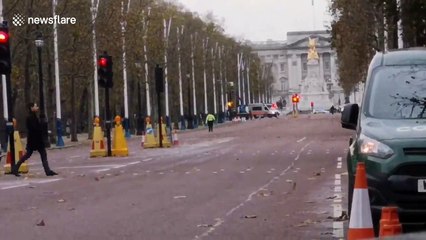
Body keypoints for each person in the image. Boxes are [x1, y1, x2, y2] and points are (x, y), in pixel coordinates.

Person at [12, 102, 57, 177]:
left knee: (41, 155)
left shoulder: (34, 117)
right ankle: (15, 168)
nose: (37, 108)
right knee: (30, 155)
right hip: (34, 140)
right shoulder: (30, 118)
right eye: (35, 106)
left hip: (36, 140)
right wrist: (42, 126)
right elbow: (34, 128)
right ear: (31, 108)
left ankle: (47, 171)